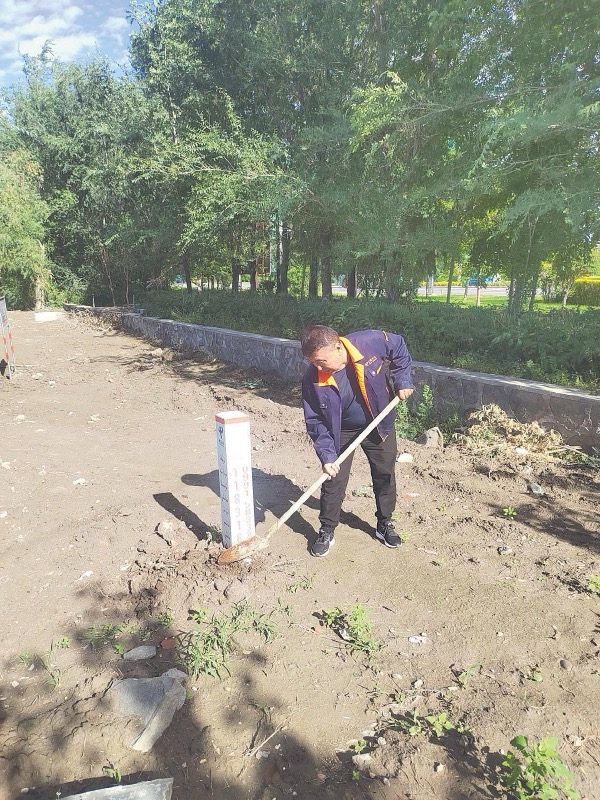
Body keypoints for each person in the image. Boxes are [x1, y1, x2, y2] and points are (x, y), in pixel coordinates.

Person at [301, 325, 414, 557]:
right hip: (340, 430)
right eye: (313, 362)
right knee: (333, 479)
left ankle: (385, 523)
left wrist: (402, 380)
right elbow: (316, 421)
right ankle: (327, 529)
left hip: (378, 422)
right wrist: (327, 456)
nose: (317, 367)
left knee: (384, 474)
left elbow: (399, 346)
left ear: (337, 347)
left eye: (321, 361)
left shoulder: (369, 342)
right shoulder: (312, 378)